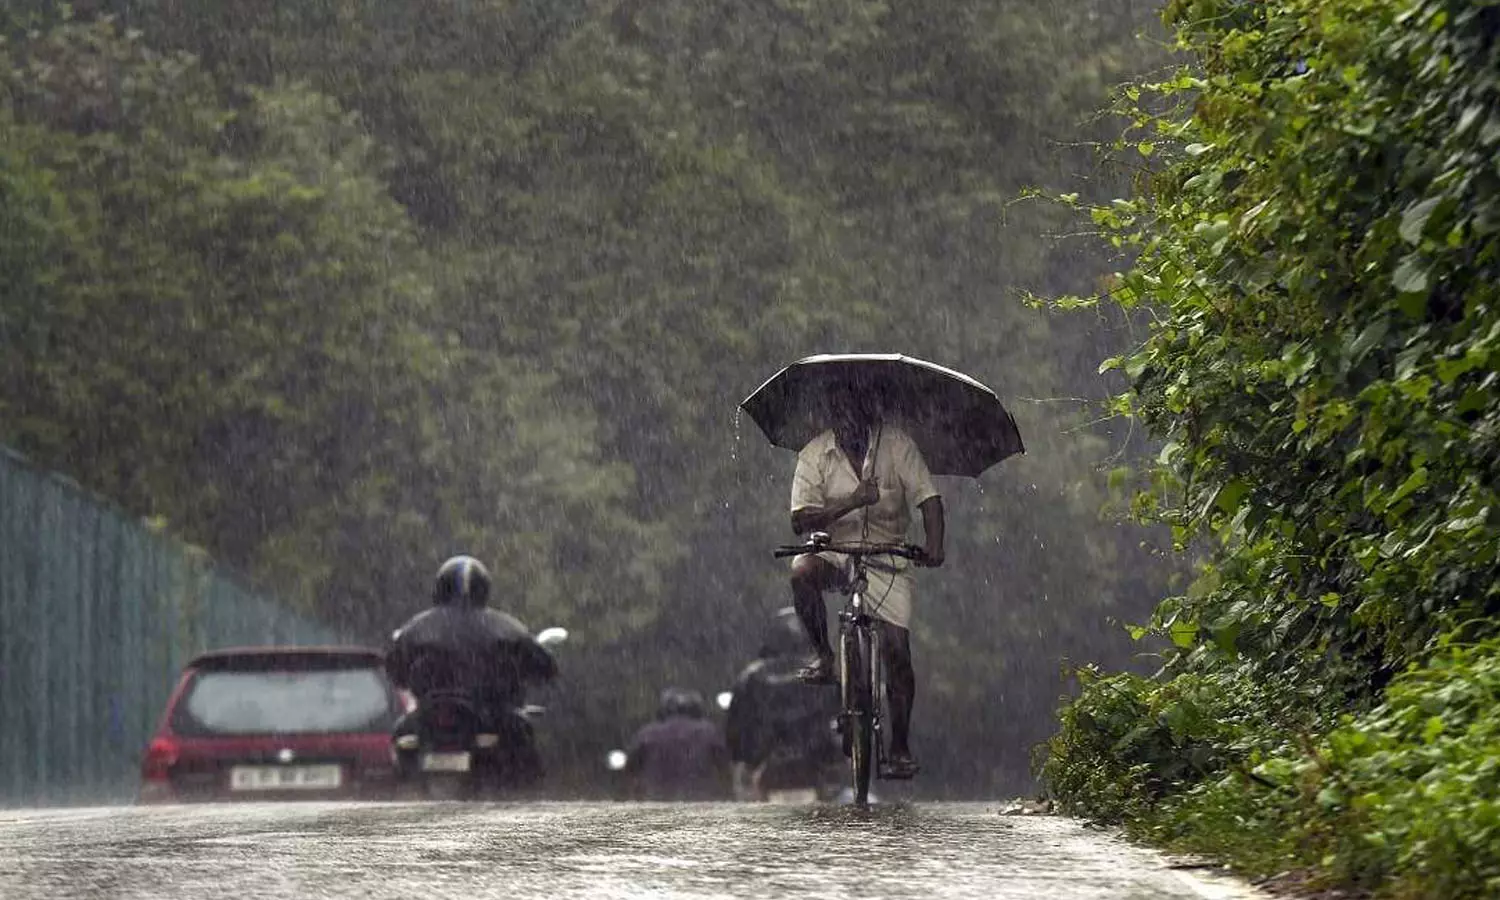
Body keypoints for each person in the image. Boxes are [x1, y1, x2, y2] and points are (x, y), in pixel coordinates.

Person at [788, 384, 945, 779]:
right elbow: (799, 520)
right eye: (841, 420)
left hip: (888, 554)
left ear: (870, 418)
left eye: (857, 419)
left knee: (897, 650)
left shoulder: (897, 446)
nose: (850, 428)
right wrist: (853, 501)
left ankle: (900, 745)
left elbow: (929, 499)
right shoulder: (814, 454)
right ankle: (825, 656)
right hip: (835, 550)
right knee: (802, 572)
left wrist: (935, 546)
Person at [385, 555, 558, 783]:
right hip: (490, 714)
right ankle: (526, 794)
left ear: (440, 588)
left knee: (402, 735)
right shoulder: (505, 627)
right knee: (524, 737)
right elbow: (544, 666)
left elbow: (394, 669)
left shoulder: (416, 628)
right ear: (483, 589)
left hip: (432, 717)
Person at [724, 608, 842, 801]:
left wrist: (744, 758)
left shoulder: (751, 676)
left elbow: (735, 730)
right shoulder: (825, 674)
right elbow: (841, 720)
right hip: (815, 764)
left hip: (766, 765)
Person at [623, 688, 731, 801]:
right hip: (699, 800)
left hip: (656, 798)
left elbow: (631, 769)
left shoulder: (647, 733)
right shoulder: (709, 732)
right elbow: (724, 769)